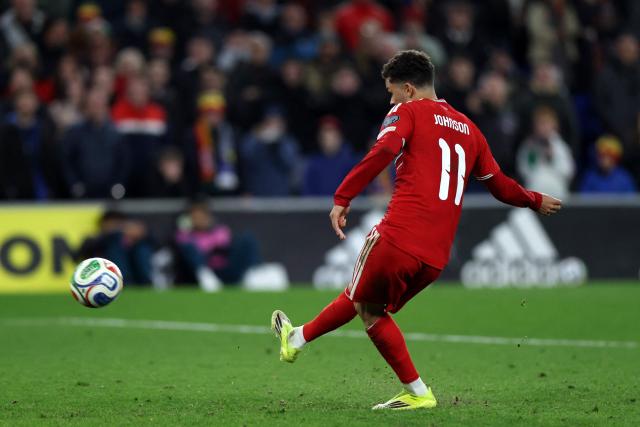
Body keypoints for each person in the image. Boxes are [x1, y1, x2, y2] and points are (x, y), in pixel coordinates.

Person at [270, 50, 562, 411]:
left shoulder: (406, 112)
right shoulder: (469, 128)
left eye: (392, 92)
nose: (390, 100)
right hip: (436, 256)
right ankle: (295, 338)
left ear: (408, 89)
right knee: (363, 296)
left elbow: (384, 151)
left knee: (370, 309)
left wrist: (343, 196)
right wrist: (534, 200)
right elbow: (498, 184)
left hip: (398, 235)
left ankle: (418, 391)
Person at [174, 199, 260, 291]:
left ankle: (252, 275)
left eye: (202, 216)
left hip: (225, 269)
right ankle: (207, 277)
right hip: (205, 272)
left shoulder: (220, 230)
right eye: (196, 217)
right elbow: (190, 251)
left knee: (247, 238)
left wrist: (214, 249)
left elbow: (226, 247)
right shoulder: (185, 235)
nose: (199, 220)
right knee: (190, 249)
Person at [517, 106, 575, 199]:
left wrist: (552, 158)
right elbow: (525, 171)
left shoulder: (560, 146)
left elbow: (568, 172)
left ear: (554, 125)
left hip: (557, 195)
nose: (543, 127)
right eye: (540, 124)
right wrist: (535, 155)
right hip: (535, 197)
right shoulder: (529, 146)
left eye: (546, 123)